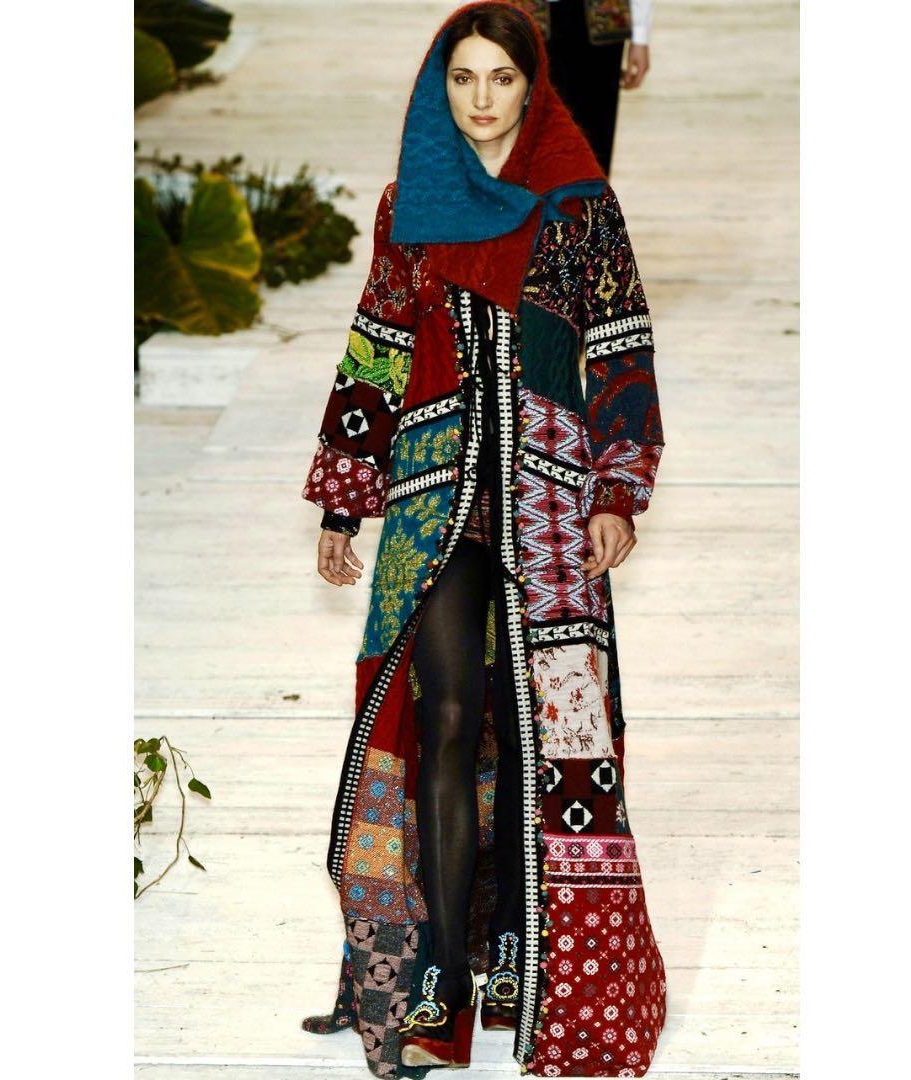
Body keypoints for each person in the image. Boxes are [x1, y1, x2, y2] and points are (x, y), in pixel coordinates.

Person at [300, 3, 666, 1075]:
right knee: (447, 714)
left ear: (532, 85)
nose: (481, 100)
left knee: (544, 727)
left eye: (500, 79)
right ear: (440, 85)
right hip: (434, 496)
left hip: (552, 500)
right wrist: (345, 496)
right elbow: (378, 340)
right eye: (462, 79)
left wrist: (618, 490)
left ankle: (523, 958)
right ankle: (441, 983)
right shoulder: (411, 201)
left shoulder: (581, 206)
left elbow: (622, 351)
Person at [506, 0, 655, 175]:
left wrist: (640, 34)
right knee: (529, 139)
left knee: (594, 142)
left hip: (600, 21)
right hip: (524, 21)